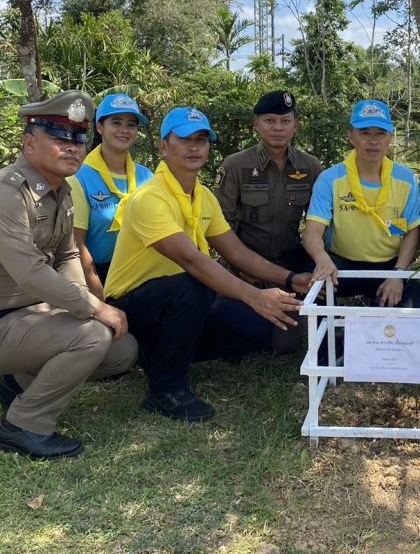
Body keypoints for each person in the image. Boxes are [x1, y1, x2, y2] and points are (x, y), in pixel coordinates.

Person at [0, 90, 137, 460]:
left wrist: (82, 307)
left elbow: (67, 255)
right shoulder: (3, 194)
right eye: (59, 138)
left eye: (78, 140)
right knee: (92, 337)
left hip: (32, 317)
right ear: (30, 144)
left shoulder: (60, 191)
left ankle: (13, 381)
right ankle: (24, 425)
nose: (72, 148)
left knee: (121, 350)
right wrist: (95, 309)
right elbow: (30, 273)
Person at [105, 107, 311, 423]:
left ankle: (159, 354)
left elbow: (237, 253)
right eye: (185, 140)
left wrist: (290, 278)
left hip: (179, 298)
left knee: (259, 326)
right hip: (131, 306)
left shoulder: (202, 195)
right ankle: (166, 389)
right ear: (163, 147)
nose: (194, 148)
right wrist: (254, 295)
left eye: (201, 141)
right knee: (195, 285)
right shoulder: (149, 198)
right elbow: (192, 260)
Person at [303, 100, 420, 308]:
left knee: (414, 302)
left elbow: (412, 231)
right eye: (365, 133)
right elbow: (312, 232)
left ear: (390, 137)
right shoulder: (330, 179)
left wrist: (399, 273)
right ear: (351, 136)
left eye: (380, 133)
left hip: (390, 265)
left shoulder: (406, 180)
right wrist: (322, 258)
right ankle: (328, 331)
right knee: (314, 286)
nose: (373, 141)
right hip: (340, 264)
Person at [214, 90, 322, 273]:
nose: (278, 128)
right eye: (269, 121)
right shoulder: (236, 165)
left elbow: (321, 222)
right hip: (243, 267)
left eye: (285, 121)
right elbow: (221, 223)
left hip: (294, 266)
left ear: (296, 125)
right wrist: (240, 264)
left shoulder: (310, 166)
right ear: (256, 124)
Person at [70, 93, 154, 298]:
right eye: (116, 123)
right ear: (100, 127)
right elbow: (76, 246)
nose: (124, 130)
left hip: (144, 275)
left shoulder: (147, 176)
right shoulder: (79, 177)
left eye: (131, 125)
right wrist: (101, 300)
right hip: (99, 278)